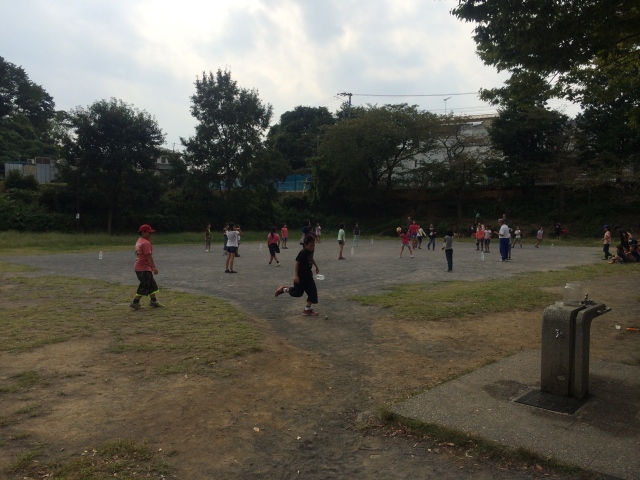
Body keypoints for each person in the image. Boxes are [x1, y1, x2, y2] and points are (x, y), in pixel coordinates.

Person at [275, 234, 320, 316]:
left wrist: (316, 266)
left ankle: (307, 310)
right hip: (300, 276)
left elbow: (311, 258)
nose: (312, 247)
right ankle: (283, 289)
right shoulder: (302, 252)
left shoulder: (311, 250)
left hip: (308, 275)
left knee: (313, 291)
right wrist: (296, 275)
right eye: (310, 245)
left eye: (313, 245)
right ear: (305, 245)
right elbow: (297, 263)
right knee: (298, 293)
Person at [130, 224, 163, 310]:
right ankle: (135, 302)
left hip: (139, 267)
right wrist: (154, 267)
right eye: (149, 232)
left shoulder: (139, 241)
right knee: (145, 285)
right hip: (143, 268)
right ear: (143, 232)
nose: (150, 234)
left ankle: (153, 301)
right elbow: (149, 256)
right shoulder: (145, 243)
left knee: (151, 284)